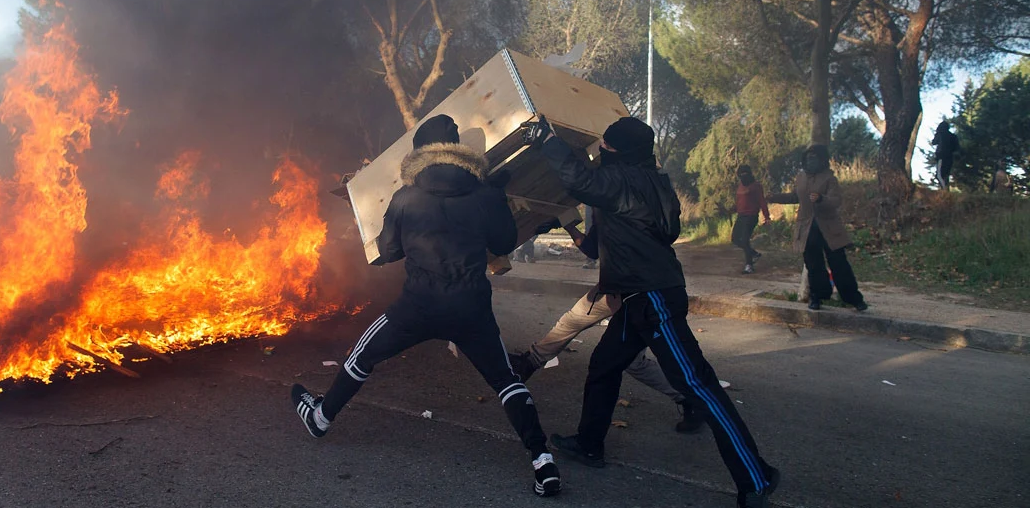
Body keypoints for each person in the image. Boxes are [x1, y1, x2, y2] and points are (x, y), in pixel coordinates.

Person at [291, 114, 561, 497]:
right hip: (471, 309)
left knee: (361, 357)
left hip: (417, 307)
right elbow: (502, 243)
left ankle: (320, 417)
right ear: (460, 153)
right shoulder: (485, 194)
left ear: (421, 154)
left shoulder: (406, 197)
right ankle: (542, 461)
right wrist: (496, 196)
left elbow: (388, 251)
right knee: (505, 381)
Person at [525, 115, 780, 508]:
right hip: (635, 297)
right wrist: (567, 228)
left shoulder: (627, 181)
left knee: (701, 386)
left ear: (621, 152)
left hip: (654, 297)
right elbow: (597, 246)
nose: (601, 152)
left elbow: (581, 181)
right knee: (605, 364)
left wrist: (549, 142)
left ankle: (756, 477)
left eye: (606, 147)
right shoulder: (652, 183)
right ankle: (590, 444)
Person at [509, 219, 705, 434]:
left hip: (634, 290)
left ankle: (689, 397)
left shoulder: (616, 207)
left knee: (627, 359)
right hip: (638, 285)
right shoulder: (634, 205)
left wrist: (566, 224)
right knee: (574, 321)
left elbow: (594, 249)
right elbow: (596, 248)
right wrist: (567, 224)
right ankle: (531, 361)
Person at [769, 144, 867, 312]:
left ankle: (854, 299)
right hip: (807, 229)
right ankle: (817, 297)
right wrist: (774, 197)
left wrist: (822, 199)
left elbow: (836, 200)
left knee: (839, 265)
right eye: (808, 157)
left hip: (828, 228)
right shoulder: (801, 177)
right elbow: (795, 196)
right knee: (814, 265)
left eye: (815, 157)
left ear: (822, 160)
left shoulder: (829, 178)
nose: (811, 160)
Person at [732, 165, 771, 274]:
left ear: (750, 174)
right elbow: (739, 202)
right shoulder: (740, 186)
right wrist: (730, 210)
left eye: (745, 174)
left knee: (745, 240)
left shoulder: (756, 186)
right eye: (741, 175)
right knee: (735, 239)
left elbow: (762, 201)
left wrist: (767, 216)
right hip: (741, 216)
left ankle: (749, 266)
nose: (743, 177)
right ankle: (754, 253)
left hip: (751, 216)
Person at [931, 121, 960, 190]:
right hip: (950, 158)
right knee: (946, 175)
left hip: (941, 157)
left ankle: (944, 190)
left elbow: (934, 142)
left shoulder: (940, 134)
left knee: (939, 175)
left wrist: (937, 134)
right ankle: (945, 191)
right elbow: (957, 148)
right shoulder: (953, 136)